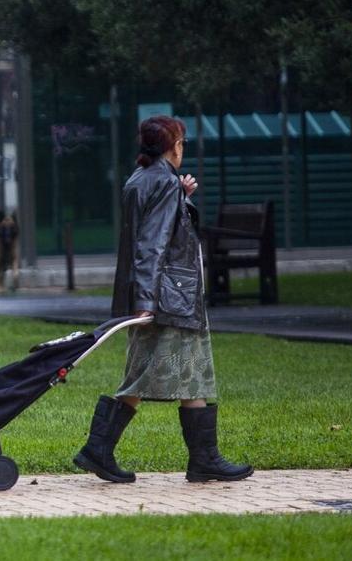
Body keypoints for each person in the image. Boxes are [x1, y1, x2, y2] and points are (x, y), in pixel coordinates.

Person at [73, 115, 253, 484]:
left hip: (159, 297)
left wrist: (181, 200)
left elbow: (150, 232)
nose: (182, 149)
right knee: (165, 375)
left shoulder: (141, 179)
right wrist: (147, 301)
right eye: (182, 143)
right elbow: (151, 246)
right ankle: (105, 450)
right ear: (173, 146)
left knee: (184, 375)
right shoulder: (164, 183)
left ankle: (198, 459)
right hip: (170, 300)